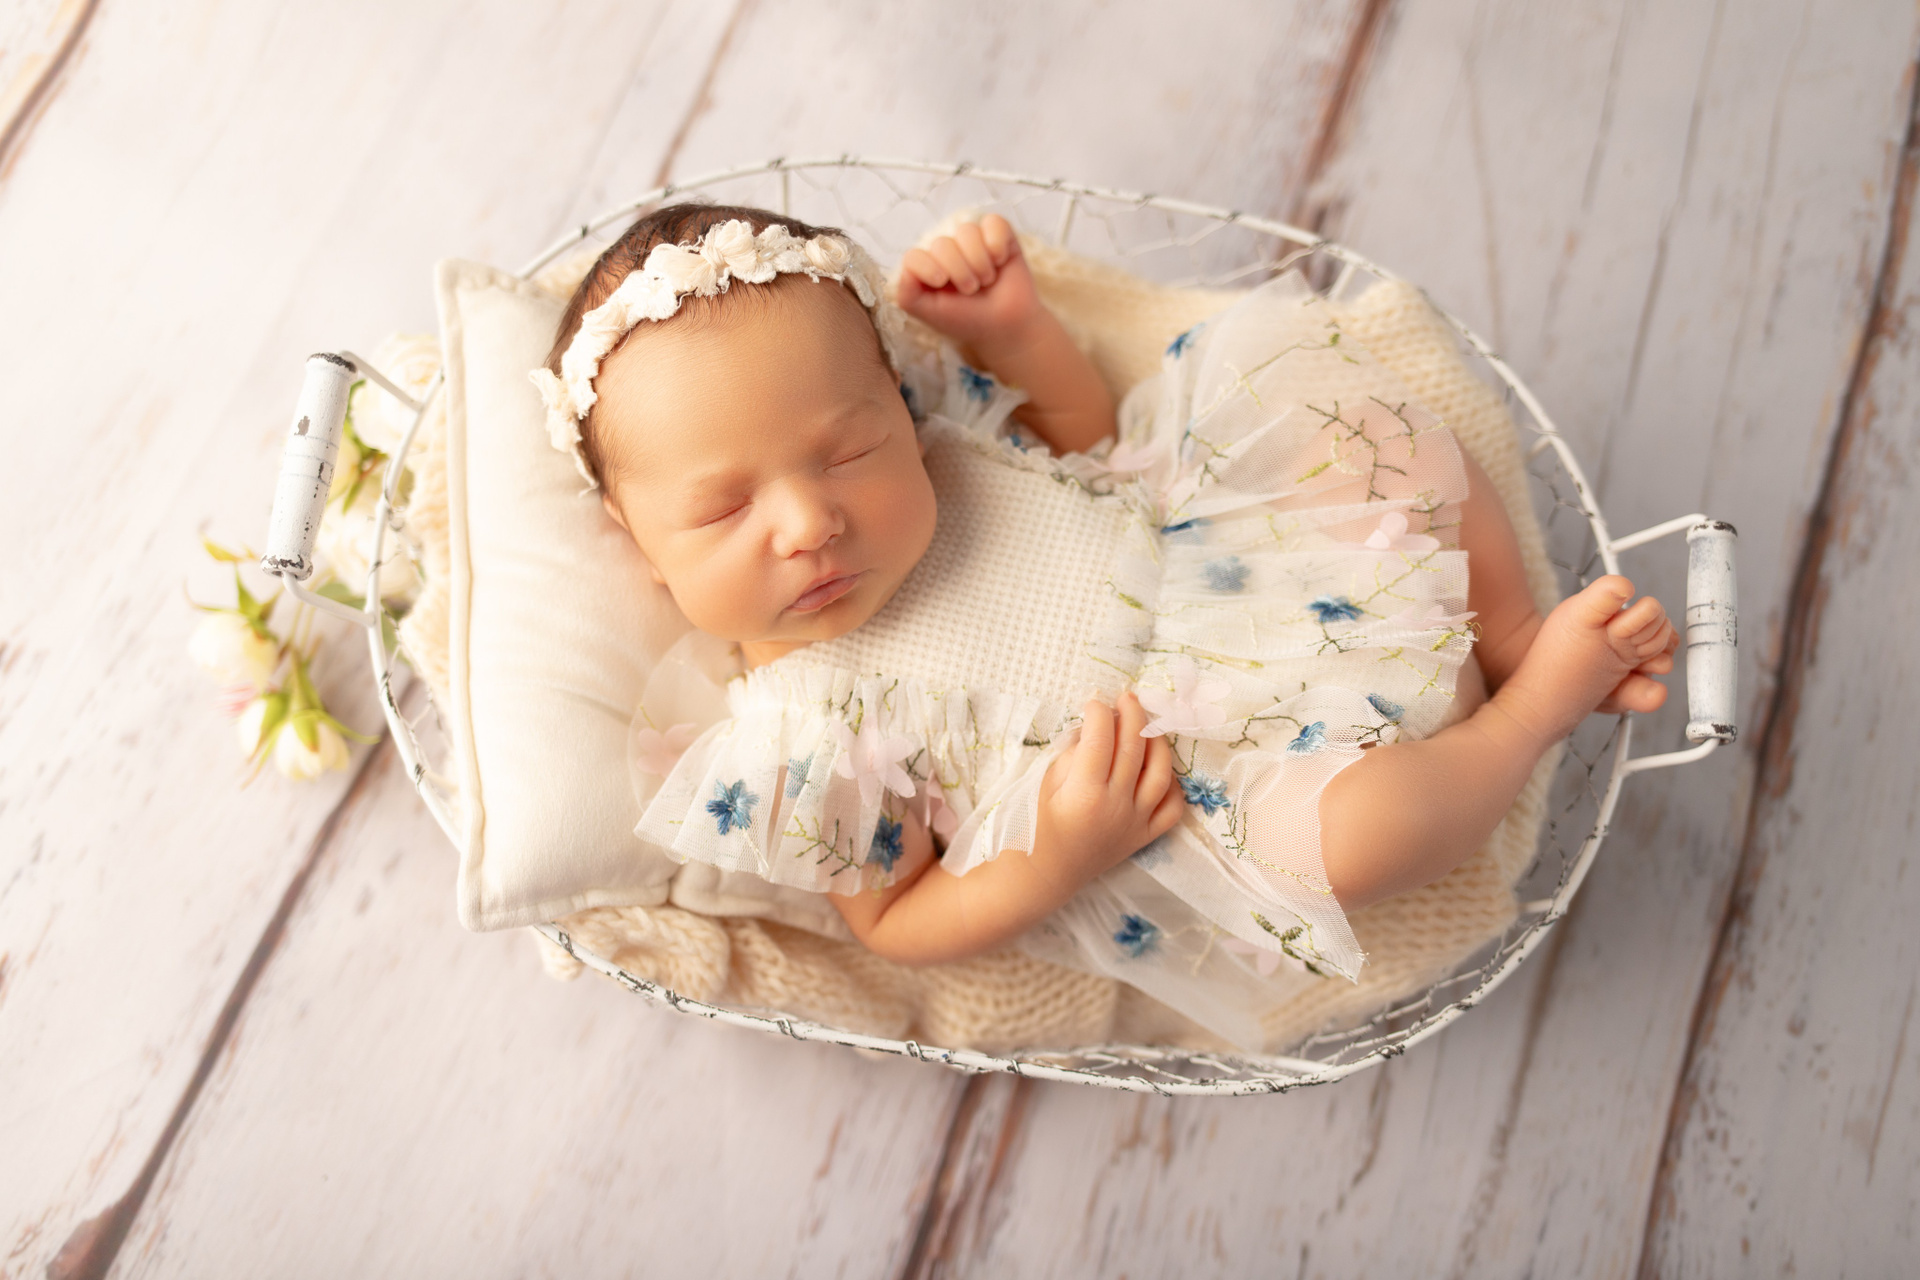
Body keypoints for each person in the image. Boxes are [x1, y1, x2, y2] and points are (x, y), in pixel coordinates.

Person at [532, 204, 1676, 1044]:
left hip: (1250, 561)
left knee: (1334, 404)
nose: (807, 522)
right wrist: (1057, 854)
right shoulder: (799, 736)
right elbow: (896, 920)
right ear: (638, 541)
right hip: (1214, 776)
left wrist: (1016, 329)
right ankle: (1530, 713)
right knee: (1349, 843)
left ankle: (1510, 628)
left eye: (848, 449)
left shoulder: (954, 448)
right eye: (724, 509)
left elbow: (1092, 445)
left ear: (898, 402)